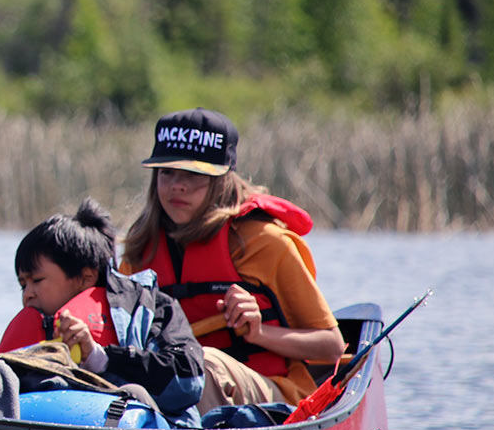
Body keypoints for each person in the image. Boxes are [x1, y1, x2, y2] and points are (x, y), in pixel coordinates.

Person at [119, 107, 346, 413]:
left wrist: (260, 332)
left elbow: (331, 347)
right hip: (179, 385)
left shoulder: (266, 242)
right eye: (167, 172)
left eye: (193, 174)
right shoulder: (140, 251)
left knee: (202, 365)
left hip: (274, 390)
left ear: (222, 180)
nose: (177, 185)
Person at [0, 198, 204, 426]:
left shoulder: (153, 308)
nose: (28, 294)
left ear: (86, 277)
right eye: (23, 285)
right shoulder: (33, 327)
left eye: (37, 280)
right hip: (52, 427)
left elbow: (189, 380)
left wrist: (100, 358)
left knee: (133, 391)